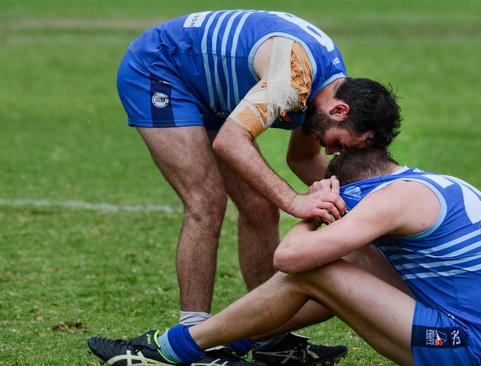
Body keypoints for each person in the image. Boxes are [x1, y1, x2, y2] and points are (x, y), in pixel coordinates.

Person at [115, 9, 401, 365]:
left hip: (210, 90)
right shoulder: (293, 79)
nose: (332, 152)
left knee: (261, 207)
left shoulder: (327, 92)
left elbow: (301, 159)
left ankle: (271, 336)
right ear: (341, 111)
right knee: (206, 201)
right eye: (340, 143)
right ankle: (194, 339)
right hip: (162, 69)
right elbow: (231, 142)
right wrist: (296, 201)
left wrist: (372, 211)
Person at [88, 149, 481, 366]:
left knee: (312, 273)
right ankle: (237, 342)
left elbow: (291, 258)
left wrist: (313, 210)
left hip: (469, 351)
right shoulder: (429, 183)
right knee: (354, 259)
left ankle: (169, 350)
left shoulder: (392, 200)